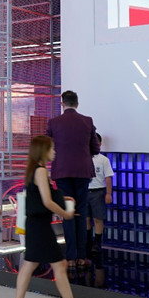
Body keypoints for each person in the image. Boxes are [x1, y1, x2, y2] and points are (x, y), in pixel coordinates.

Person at [12, 135, 100, 298]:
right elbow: (47, 201)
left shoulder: (35, 170)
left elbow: (44, 196)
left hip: (35, 225)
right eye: (51, 148)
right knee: (59, 265)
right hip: (40, 227)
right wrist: (65, 214)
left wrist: (62, 198)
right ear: (43, 151)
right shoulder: (41, 171)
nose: (54, 151)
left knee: (30, 265)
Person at [45, 90, 100, 269]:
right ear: (77, 104)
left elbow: (47, 147)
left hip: (62, 172)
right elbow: (96, 149)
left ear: (62, 104)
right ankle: (82, 256)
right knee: (81, 212)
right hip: (83, 172)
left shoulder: (53, 122)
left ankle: (70, 257)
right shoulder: (87, 121)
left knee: (67, 212)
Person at [86, 134, 113, 265]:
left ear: (100, 144)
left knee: (98, 218)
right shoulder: (83, 158)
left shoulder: (103, 160)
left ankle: (97, 243)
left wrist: (108, 193)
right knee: (85, 218)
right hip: (85, 191)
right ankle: (87, 242)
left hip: (98, 191)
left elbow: (108, 177)